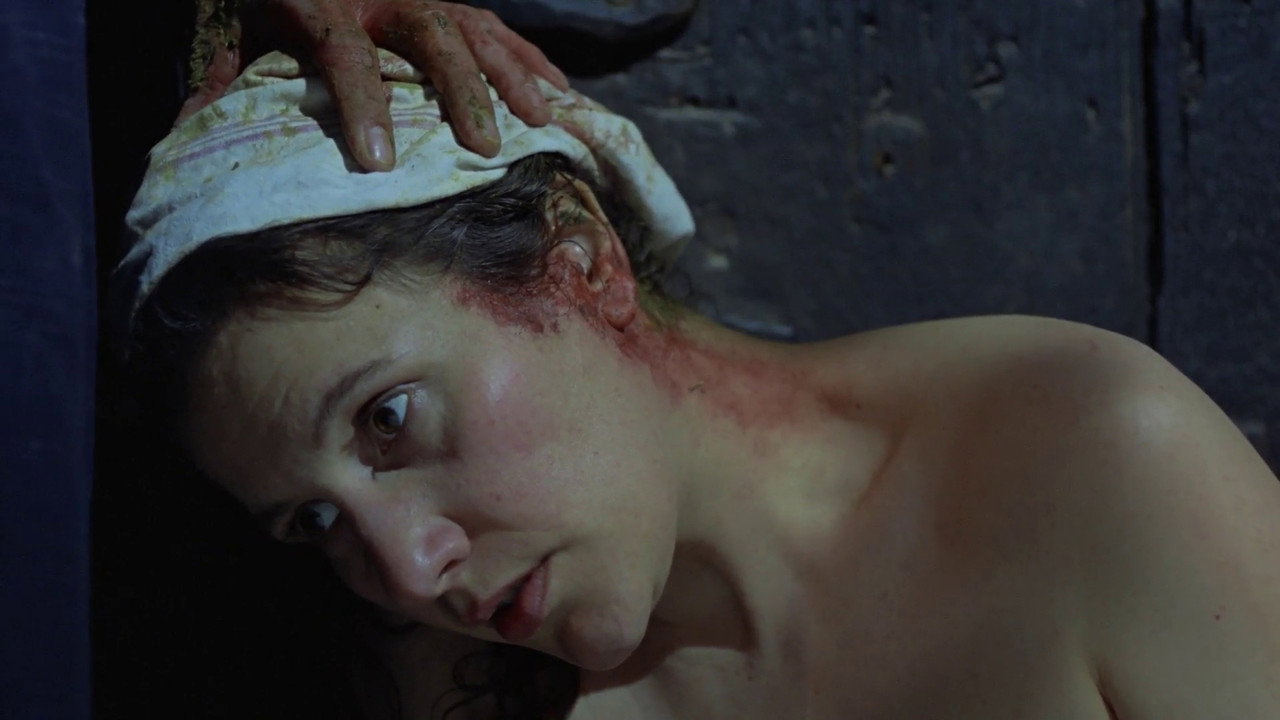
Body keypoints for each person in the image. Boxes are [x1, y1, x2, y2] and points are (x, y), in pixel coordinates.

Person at [112, 3, 1280, 719]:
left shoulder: (1091, 470)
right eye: (312, 522)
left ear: (578, 267)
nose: (411, 572)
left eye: (389, 419)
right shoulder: (457, 684)